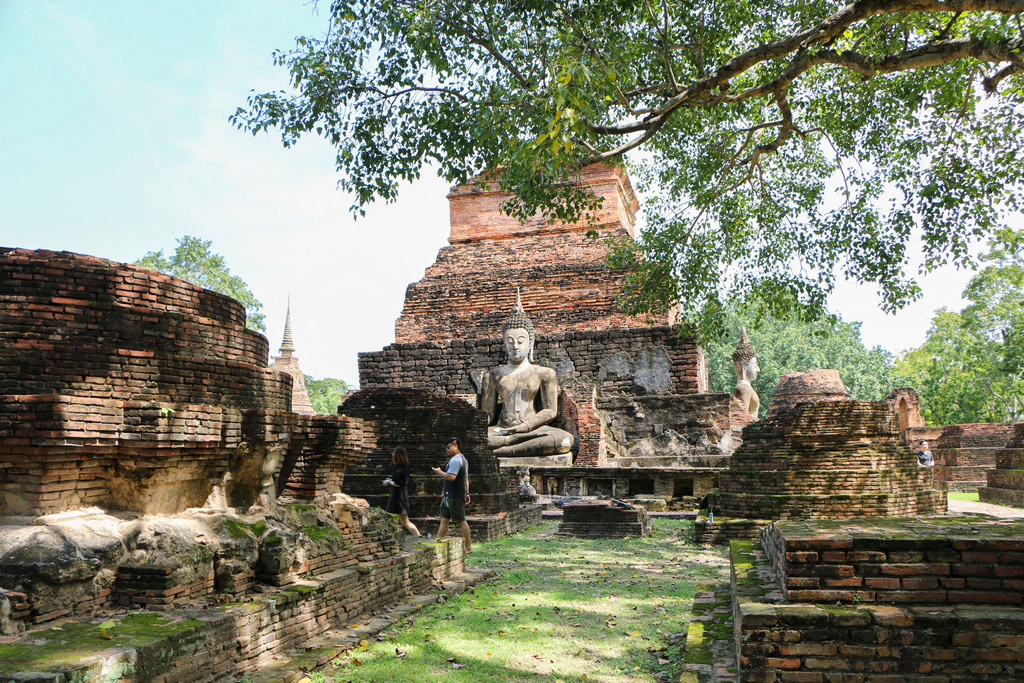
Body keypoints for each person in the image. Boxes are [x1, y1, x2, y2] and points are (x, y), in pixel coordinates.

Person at [480, 290, 574, 457]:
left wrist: (526, 427)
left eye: (520, 341)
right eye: (510, 342)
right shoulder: (493, 375)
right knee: (470, 439)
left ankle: (503, 451)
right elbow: (488, 414)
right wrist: (474, 427)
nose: (515, 346)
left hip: (532, 429)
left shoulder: (544, 373)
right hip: (501, 430)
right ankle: (509, 446)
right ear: (504, 344)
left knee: (564, 440)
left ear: (531, 343)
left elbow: (550, 411)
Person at [431, 436, 472, 554]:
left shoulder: (456, 460)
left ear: (456, 446)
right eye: (446, 448)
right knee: (444, 519)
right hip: (450, 496)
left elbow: (451, 477)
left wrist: (439, 472)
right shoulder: (462, 459)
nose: (447, 450)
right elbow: (466, 479)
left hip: (455, 496)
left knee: (461, 521)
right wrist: (467, 492)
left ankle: (468, 546)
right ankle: (437, 543)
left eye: (449, 448)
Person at [383, 446, 421, 537]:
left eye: (394, 453)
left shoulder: (397, 468)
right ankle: (418, 536)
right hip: (402, 496)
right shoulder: (405, 467)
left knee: (388, 517)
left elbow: (398, 483)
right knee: (405, 521)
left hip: (397, 497)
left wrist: (388, 482)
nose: (392, 455)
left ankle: (389, 536)